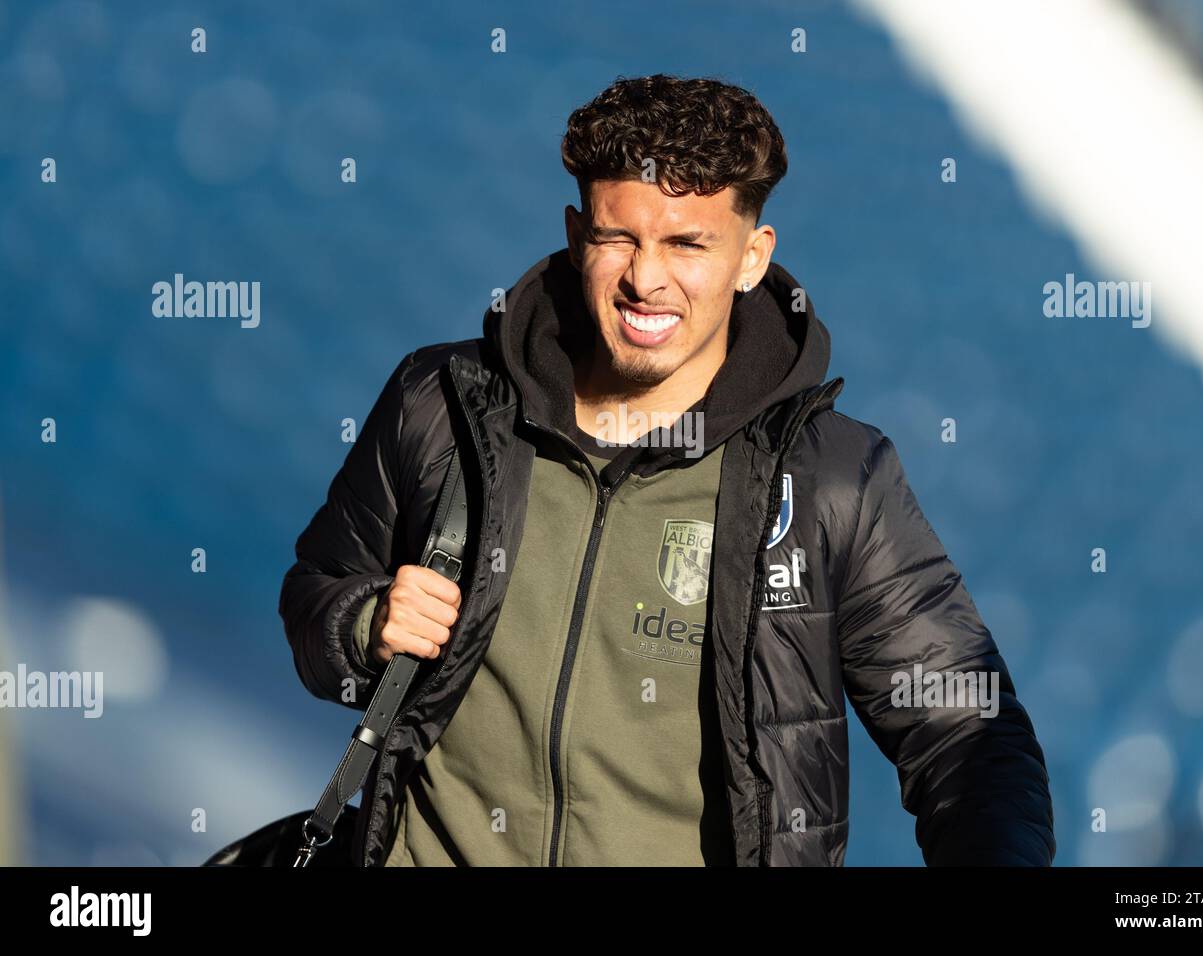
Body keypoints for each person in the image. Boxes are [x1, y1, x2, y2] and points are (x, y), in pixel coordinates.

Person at [280, 73, 1055, 867]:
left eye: (688, 244)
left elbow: (966, 730)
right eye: (620, 238)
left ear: (753, 257)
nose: (646, 279)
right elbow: (316, 596)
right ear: (578, 232)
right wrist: (366, 625)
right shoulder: (442, 401)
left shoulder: (831, 477)